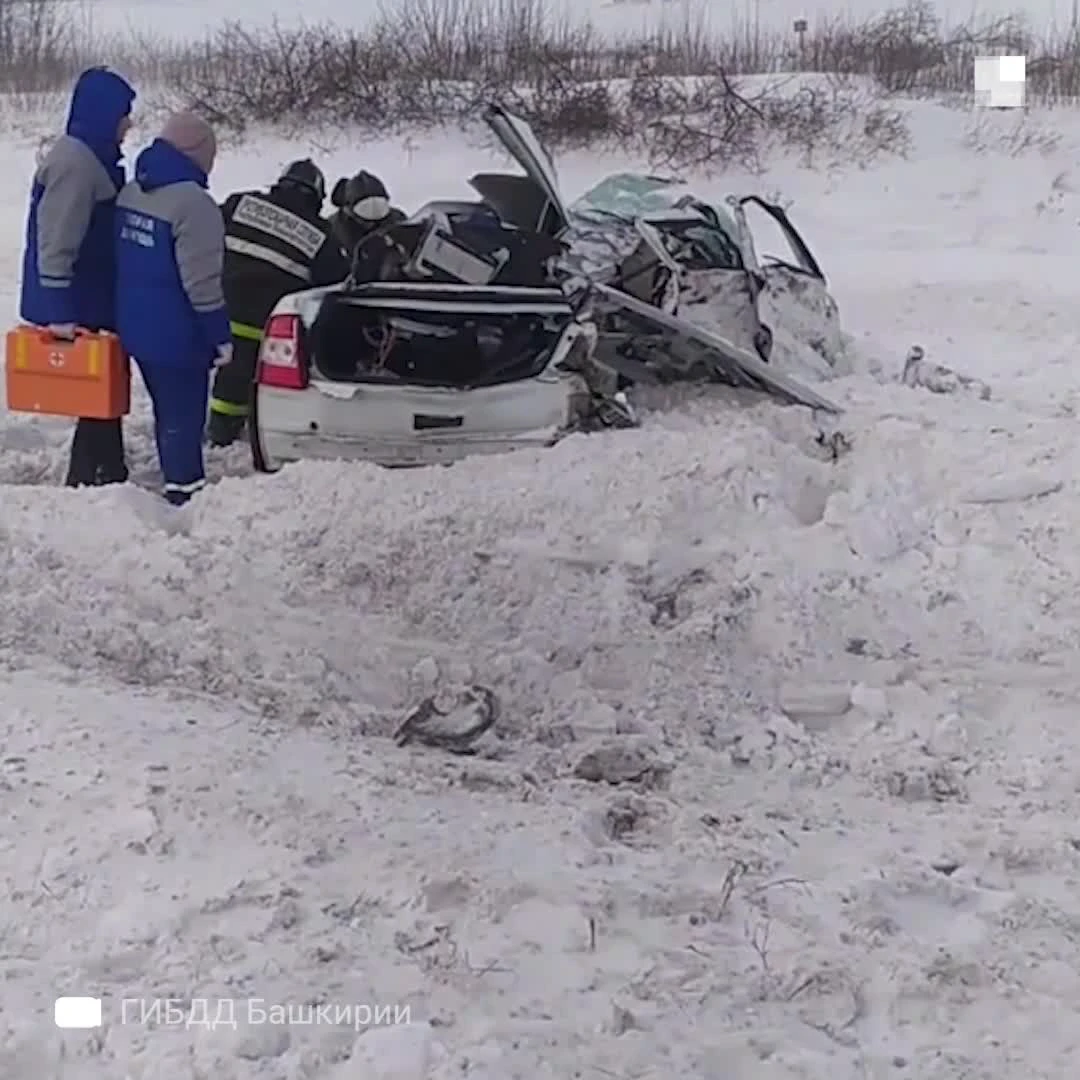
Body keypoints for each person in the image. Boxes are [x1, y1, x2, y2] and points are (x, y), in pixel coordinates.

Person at [19, 66, 136, 488]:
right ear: (104, 113)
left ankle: (104, 472)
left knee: (102, 391)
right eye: (124, 113)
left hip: (93, 295)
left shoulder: (92, 156)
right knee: (94, 392)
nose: (129, 123)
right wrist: (60, 312)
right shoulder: (74, 164)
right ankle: (91, 479)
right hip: (78, 300)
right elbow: (56, 243)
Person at [114, 112, 230, 506]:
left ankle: (174, 473)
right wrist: (219, 334)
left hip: (136, 325)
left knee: (166, 407)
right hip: (178, 334)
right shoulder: (194, 205)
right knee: (183, 415)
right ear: (198, 155)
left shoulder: (132, 191)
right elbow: (201, 283)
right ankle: (184, 494)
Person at [206, 159, 349, 447]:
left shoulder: (240, 203)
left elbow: (204, 235)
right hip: (264, 324)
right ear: (317, 196)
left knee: (217, 373)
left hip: (214, 308)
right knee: (243, 376)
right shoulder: (320, 234)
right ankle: (228, 432)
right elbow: (334, 283)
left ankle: (202, 425)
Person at [329, 169, 405, 261]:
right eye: (364, 208)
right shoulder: (335, 229)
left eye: (379, 206)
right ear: (348, 209)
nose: (373, 220)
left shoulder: (397, 220)